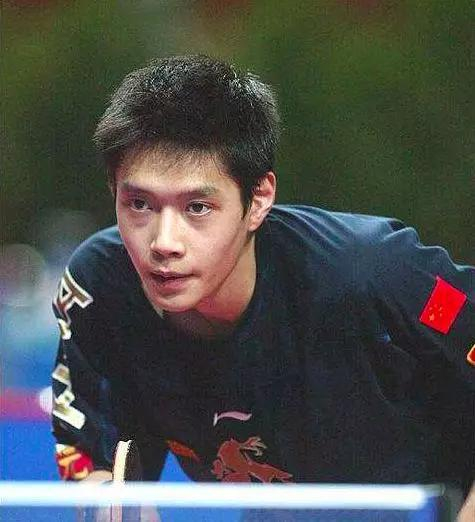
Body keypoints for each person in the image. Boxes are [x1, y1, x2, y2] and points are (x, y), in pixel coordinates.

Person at [52, 54, 474, 512]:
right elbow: (96, 472)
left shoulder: (382, 275)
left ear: (257, 200)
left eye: (197, 208)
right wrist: (112, 503)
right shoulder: (100, 290)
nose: (164, 243)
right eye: (139, 204)